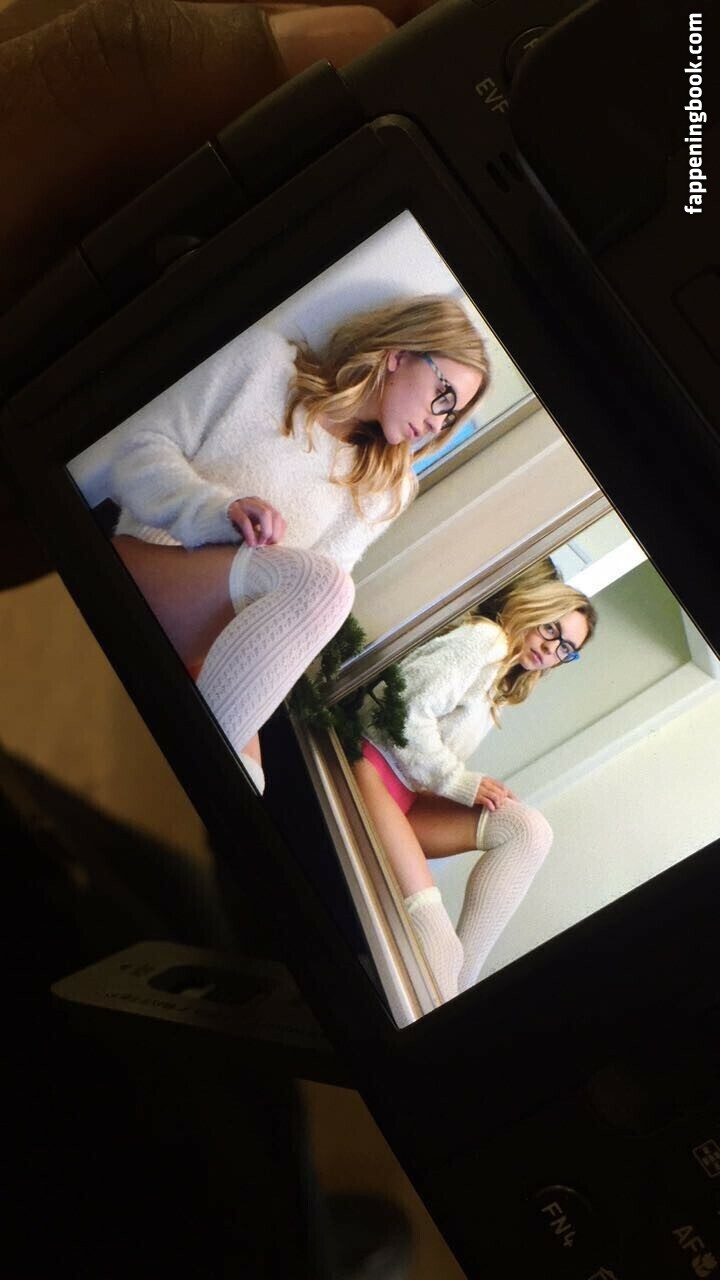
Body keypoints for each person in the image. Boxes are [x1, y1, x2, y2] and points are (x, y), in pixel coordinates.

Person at [71, 295, 490, 792]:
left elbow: (301, 614)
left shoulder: (386, 489)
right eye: (444, 396)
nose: (439, 423)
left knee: (248, 782)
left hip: (215, 644)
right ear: (399, 354)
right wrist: (217, 511)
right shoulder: (263, 364)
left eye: (451, 417)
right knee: (328, 588)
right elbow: (137, 454)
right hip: (144, 572)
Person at [353, 562, 598, 1001]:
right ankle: (451, 1010)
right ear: (534, 607)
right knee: (439, 950)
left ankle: (462, 994)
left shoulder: (500, 677)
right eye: (551, 629)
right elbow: (405, 710)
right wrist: (456, 781)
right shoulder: (484, 640)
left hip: (405, 794)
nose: (552, 649)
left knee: (528, 830)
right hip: (371, 769)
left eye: (567, 649)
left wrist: (458, 785)